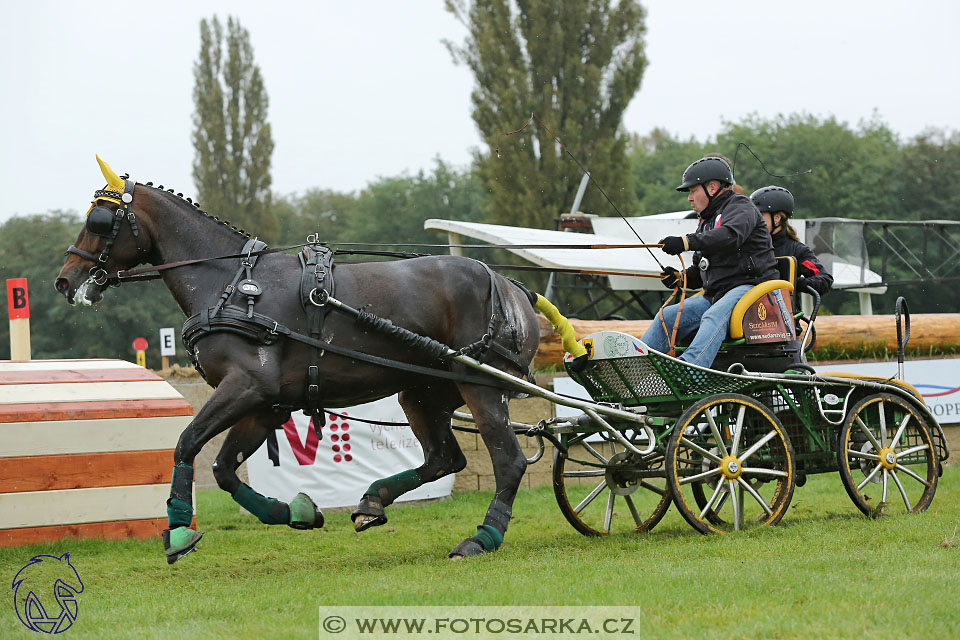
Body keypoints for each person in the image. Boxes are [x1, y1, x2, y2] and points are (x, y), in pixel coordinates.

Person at [642, 156, 783, 368]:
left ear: (712, 187)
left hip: (752, 290)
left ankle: (689, 370)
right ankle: (638, 366)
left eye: (692, 191)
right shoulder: (707, 221)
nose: (689, 198)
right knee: (668, 315)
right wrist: (681, 278)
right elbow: (701, 269)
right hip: (717, 295)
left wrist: (685, 242)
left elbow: (728, 236)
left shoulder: (741, 206)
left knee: (713, 315)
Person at [750, 185, 833, 297]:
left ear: (777, 218)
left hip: (783, 312)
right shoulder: (745, 244)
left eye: (759, 215)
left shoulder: (797, 250)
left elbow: (825, 279)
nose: (753, 220)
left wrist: (793, 282)